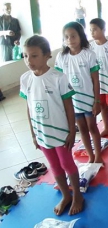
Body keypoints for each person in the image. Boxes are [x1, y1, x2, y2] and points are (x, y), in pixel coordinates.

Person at [21, 35, 84, 215]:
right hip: (42, 133)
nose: (29, 61)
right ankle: (66, 195)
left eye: (34, 56)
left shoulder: (58, 78)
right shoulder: (25, 79)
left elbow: (69, 107)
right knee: (54, 166)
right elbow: (29, 107)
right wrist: (33, 133)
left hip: (61, 133)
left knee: (66, 163)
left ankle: (77, 194)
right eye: (25, 56)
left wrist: (72, 132)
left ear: (47, 55)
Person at [55, 22, 103, 164]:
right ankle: (91, 156)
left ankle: (98, 155)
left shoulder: (89, 55)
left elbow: (95, 80)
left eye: (73, 36)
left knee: (92, 127)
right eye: (67, 37)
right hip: (73, 102)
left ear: (81, 36)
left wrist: (97, 101)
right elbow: (58, 80)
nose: (70, 39)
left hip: (88, 100)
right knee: (82, 130)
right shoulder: (61, 57)